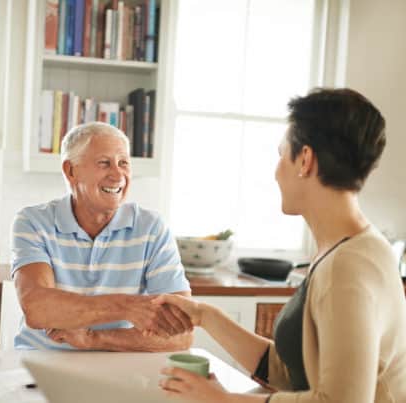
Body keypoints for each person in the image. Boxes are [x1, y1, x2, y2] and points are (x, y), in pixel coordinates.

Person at [155, 88, 406, 402]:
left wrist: (223, 399)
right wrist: (204, 316)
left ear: (305, 159)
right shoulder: (343, 251)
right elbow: (291, 373)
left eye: (280, 153)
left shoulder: (350, 265)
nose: (275, 172)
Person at [11, 121, 193, 351]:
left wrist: (94, 339)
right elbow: (37, 309)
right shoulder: (33, 221)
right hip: (40, 360)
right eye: (104, 163)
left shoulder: (151, 228)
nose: (118, 175)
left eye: (123, 163)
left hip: (119, 364)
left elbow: (182, 333)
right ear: (71, 171)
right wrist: (127, 306)